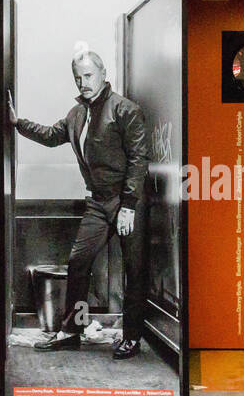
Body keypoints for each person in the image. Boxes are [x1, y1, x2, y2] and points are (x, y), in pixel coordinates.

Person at [12, 49, 150, 360]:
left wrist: (128, 206)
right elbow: (50, 135)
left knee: (134, 271)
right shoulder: (77, 114)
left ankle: (132, 338)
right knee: (78, 264)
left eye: (88, 75)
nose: (82, 82)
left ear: (102, 74)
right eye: (78, 77)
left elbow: (139, 160)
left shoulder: (125, 110)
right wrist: (17, 122)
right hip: (98, 203)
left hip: (128, 201)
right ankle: (73, 331)